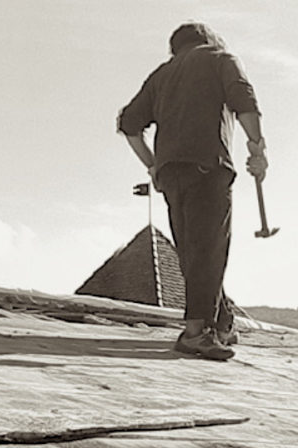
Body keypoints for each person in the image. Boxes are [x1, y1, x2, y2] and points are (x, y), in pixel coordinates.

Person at [117, 22, 267, 360]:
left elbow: (129, 125)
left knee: (192, 250)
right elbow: (244, 100)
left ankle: (222, 322)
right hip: (207, 165)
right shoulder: (220, 57)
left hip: (171, 172)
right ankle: (195, 333)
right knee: (210, 248)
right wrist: (257, 149)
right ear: (208, 40)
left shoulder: (161, 74)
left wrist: (153, 166)